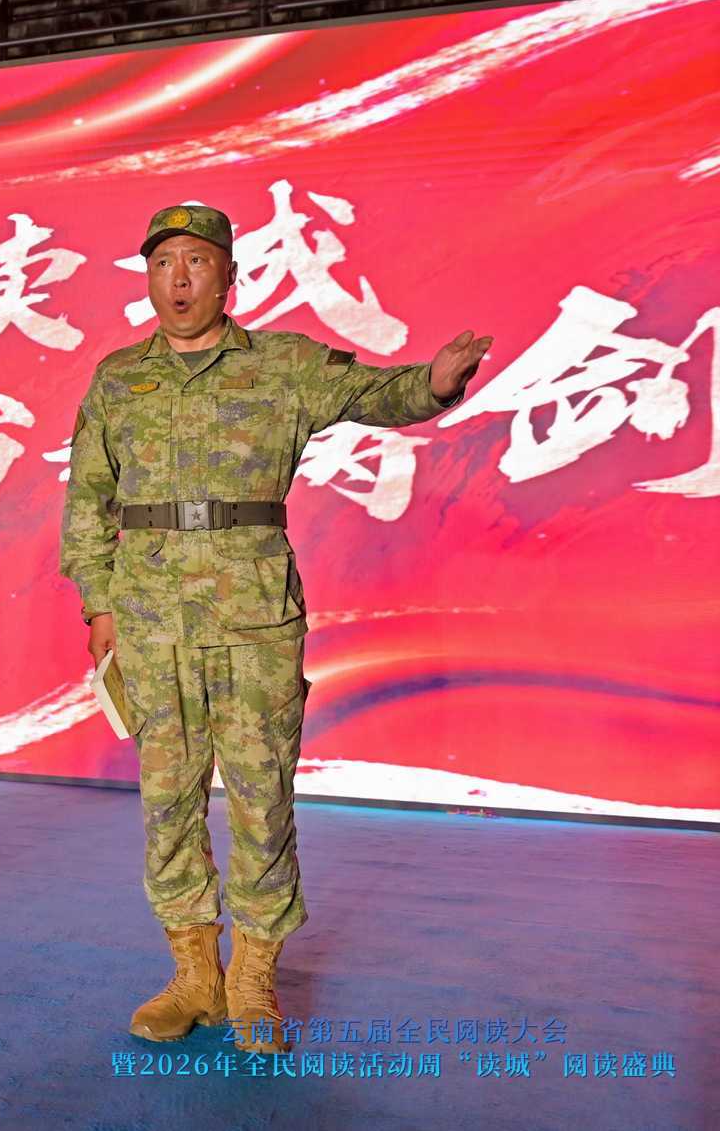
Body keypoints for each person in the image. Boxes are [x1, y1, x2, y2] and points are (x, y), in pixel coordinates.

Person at [61, 205, 492, 1052]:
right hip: (150, 619)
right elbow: (86, 498)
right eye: (163, 262)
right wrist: (99, 603)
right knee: (168, 801)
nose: (178, 278)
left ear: (229, 276)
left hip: (254, 617)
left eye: (197, 262)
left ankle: (254, 977)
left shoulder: (282, 366)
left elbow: (376, 392)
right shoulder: (118, 379)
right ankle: (193, 974)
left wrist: (436, 384)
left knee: (262, 798)